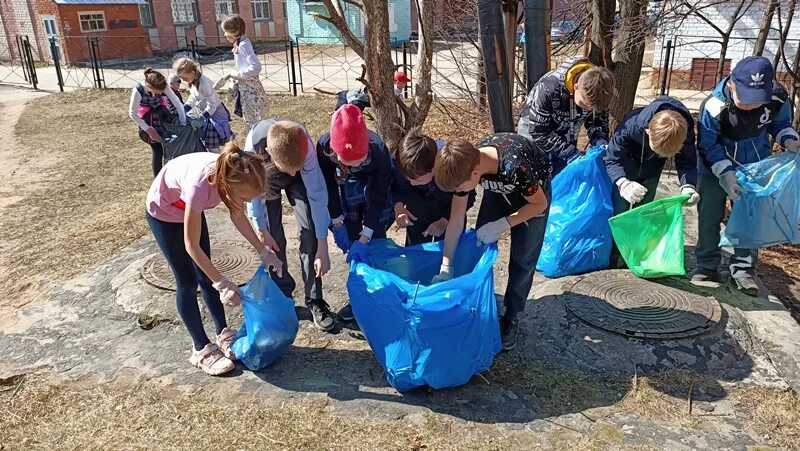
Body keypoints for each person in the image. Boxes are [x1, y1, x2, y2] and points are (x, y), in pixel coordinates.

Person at [145, 143, 283, 376]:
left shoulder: (234, 173)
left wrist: (262, 250)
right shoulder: (199, 187)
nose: (247, 202)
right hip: (165, 212)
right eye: (244, 198)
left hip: (189, 209)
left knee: (206, 275)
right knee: (188, 282)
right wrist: (222, 283)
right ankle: (200, 348)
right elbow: (191, 246)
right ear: (229, 187)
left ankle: (222, 333)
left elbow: (237, 215)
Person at [433, 133, 552, 351]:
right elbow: (456, 219)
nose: (458, 192)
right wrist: (445, 266)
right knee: (479, 245)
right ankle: (480, 302)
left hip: (533, 192)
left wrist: (502, 224)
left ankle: (512, 315)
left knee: (524, 256)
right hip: (498, 187)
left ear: (475, 173)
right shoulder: (466, 162)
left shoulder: (517, 168)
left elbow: (539, 205)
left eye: (460, 188)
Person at [694, 56, 800, 295]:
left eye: (756, 101)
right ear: (731, 84)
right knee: (709, 215)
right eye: (745, 100)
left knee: (751, 218)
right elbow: (708, 145)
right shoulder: (713, 106)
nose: (751, 106)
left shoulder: (777, 99)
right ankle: (707, 265)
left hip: (755, 165)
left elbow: (780, 125)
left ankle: (743, 271)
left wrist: (790, 140)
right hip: (715, 167)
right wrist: (726, 175)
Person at [244, 119, 336, 331]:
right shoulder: (254, 147)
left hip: (302, 183)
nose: (292, 173)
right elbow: (253, 196)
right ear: (268, 151)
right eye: (290, 169)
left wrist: (323, 244)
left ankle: (314, 299)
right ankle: (282, 295)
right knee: (273, 240)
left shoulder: (305, 149)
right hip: (267, 179)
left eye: (297, 168)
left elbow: (317, 195)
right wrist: (261, 229)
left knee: (310, 232)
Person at [317, 104, 393, 321]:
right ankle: (358, 296)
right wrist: (337, 221)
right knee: (351, 238)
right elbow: (328, 186)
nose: (354, 165)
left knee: (374, 240)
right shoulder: (323, 145)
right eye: (347, 162)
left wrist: (367, 233)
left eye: (358, 161)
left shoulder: (378, 150)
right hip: (345, 188)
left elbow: (379, 195)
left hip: (372, 187)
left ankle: (378, 294)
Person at [604, 96, 698, 268]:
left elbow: (688, 161)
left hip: (651, 173)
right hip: (626, 171)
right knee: (619, 216)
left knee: (643, 217)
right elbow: (612, 158)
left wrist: (688, 185)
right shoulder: (631, 126)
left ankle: (634, 260)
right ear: (648, 132)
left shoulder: (683, 130)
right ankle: (611, 261)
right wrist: (622, 182)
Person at [517, 57, 614, 176]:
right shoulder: (548, 88)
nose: (587, 109)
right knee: (534, 177)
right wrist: (570, 153)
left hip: (567, 132)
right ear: (576, 86)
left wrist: (600, 141)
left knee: (561, 176)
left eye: (592, 108)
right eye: (583, 104)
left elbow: (597, 123)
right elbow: (538, 132)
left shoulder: (600, 91)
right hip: (534, 132)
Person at [392, 128, 476, 246]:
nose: (412, 184)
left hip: (450, 209)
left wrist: (445, 221)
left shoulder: (453, 164)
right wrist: (398, 207)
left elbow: (468, 197)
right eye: (408, 179)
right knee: (416, 251)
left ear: (434, 169)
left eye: (418, 180)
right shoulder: (402, 161)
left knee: (448, 248)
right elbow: (398, 187)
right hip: (417, 209)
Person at [129, 68, 186, 177]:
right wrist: (148, 129)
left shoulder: (162, 85)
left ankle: (173, 174)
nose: (162, 93)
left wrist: (183, 122)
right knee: (157, 149)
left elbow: (178, 103)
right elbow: (132, 113)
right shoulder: (138, 90)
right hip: (148, 119)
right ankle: (158, 179)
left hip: (162, 115)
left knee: (171, 145)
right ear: (150, 87)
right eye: (159, 91)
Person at [174, 57, 234, 153]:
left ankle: (220, 163)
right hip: (207, 115)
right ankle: (219, 163)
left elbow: (212, 105)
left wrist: (201, 118)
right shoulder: (193, 82)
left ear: (193, 72)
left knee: (216, 145)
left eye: (184, 78)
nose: (183, 80)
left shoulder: (204, 83)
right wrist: (184, 108)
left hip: (216, 115)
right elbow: (193, 97)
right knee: (211, 144)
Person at [221, 14, 269, 135]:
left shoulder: (244, 45)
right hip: (245, 88)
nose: (224, 35)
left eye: (225, 32)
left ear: (233, 32)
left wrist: (237, 74)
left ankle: (255, 145)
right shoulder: (239, 43)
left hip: (250, 89)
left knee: (252, 120)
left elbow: (256, 67)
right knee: (250, 118)